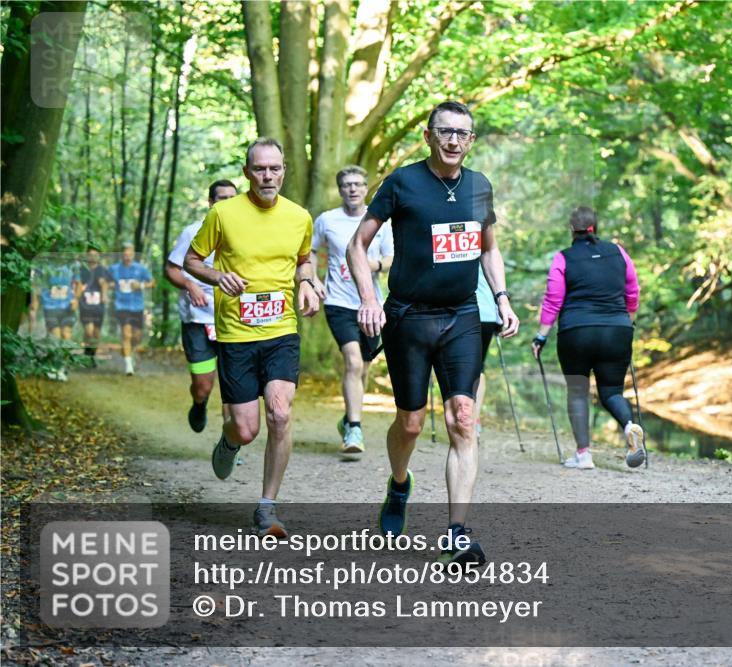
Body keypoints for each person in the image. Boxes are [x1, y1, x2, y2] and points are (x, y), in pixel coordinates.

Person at [348, 100, 519, 566]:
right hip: (408, 316)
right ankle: (399, 484)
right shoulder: (402, 182)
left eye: (462, 134)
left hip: (463, 314)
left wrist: (501, 298)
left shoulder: (480, 187)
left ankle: (457, 533)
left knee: (463, 418)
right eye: (444, 131)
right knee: (411, 422)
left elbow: (489, 250)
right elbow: (357, 245)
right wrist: (368, 298)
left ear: (471, 141)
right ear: (428, 136)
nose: (453, 141)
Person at [184, 137, 319, 538]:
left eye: (275, 168)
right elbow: (192, 260)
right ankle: (228, 444)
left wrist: (308, 283)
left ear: (284, 171)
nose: (268, 175)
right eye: (259, 169)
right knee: (246, 429)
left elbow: (304, 259)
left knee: (279, 413)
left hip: (281, 331)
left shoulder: (299, 217)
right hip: (236, 334)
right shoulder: (224, 214)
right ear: (247, 174)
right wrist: (216, 275)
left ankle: (266, 507)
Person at [531, 206, 644, 470]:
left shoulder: (563, 258)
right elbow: (633, 291)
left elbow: (553, 300)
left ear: (572, 229)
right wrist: (627, 321)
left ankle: (583, 455)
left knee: (578, 392)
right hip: (617, 330)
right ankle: (629, 426)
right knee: (612, 392)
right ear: (596, 226)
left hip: (576, 332)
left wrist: (541, 336)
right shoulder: (619, 253)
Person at [311, 165, 393, 455]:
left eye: (358, 184)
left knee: (365, 367)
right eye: (347, 185)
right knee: (353, 362)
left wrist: (373, 265)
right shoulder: (327, 220)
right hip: (338, 302)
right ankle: (355, 430)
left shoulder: (380, 219)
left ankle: (348, 418)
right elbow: (309, 250)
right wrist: (312, 280)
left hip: (372, 304)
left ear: (366, 187)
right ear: (340, 188)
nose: (353, 189)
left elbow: (391, 257)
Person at [165, 179, 238, 433]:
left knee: (234, 386)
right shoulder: (192, 232)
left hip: (234, 319)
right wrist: (190, 284)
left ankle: (231, 441)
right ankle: (199, 403)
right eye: (222, 199)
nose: (228, 204)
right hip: (198, 320)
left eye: (232, 198)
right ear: (211, 203)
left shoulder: (244, 234)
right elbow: (171, 269)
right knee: (203, 385)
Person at [109, 243, 154, 376]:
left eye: (129, 254)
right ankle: (128, 365)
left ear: (133, 254)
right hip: (121, 306)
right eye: (125, 254)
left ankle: (129, 353)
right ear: (122, 255)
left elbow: (152, 282)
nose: (127, 256)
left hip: (137, 306)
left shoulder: (140, 269)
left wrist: (140, 285)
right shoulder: (114, 269)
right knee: (126, 334)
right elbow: (105, 281)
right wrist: (109, 286)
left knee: (137, 337)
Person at [473, 266, 500, 441]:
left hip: (465, 313)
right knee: (479, 366)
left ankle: (465, 418)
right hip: (489, 314)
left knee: (464, 367)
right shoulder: (487, 250)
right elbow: (497, 284)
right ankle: (474, 420)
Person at [76, 246, 112, 360]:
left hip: (98, 306)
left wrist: (105, 287)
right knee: (89, 330)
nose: (93, 257)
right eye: (91, 255)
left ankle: (91, 355)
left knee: (96, 332)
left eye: (96, 255)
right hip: (84, 304)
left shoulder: (103, 270)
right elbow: (76, 284)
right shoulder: (82, 269)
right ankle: (87, 354)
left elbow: (112, 283)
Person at [39, 263, 76, 342]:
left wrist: (76, 300)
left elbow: (79, 283)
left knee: (66, 336)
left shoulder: (73, 264)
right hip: (50, 307)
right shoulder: (43, 265)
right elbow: (36, 285)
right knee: (56, 337)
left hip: (68, 307)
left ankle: (65, 353)